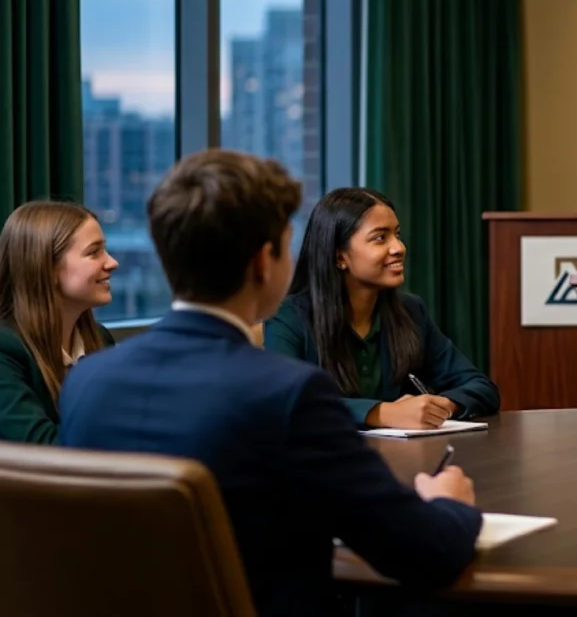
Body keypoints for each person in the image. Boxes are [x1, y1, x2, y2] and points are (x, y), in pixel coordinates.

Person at [58, 150, 481, 617]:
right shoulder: (289, 394)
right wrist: (451, 505)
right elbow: (424, 553)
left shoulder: (86, 381)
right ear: (265, 262)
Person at [263, 187, 500, 429]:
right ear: (340, 257)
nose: (399, 248)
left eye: (397, 234)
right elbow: (284, 401)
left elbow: (481, 387)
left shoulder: (411, 311)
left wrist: (443, 406)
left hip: (403, 452)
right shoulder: (288, 318)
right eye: (380, 238)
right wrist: (380, 413)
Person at [0, 201, 118, 444]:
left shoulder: (101, 339)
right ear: (48, 268)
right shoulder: (5, 349)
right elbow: (42, 447)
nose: (112, 263)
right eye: (94, 252)